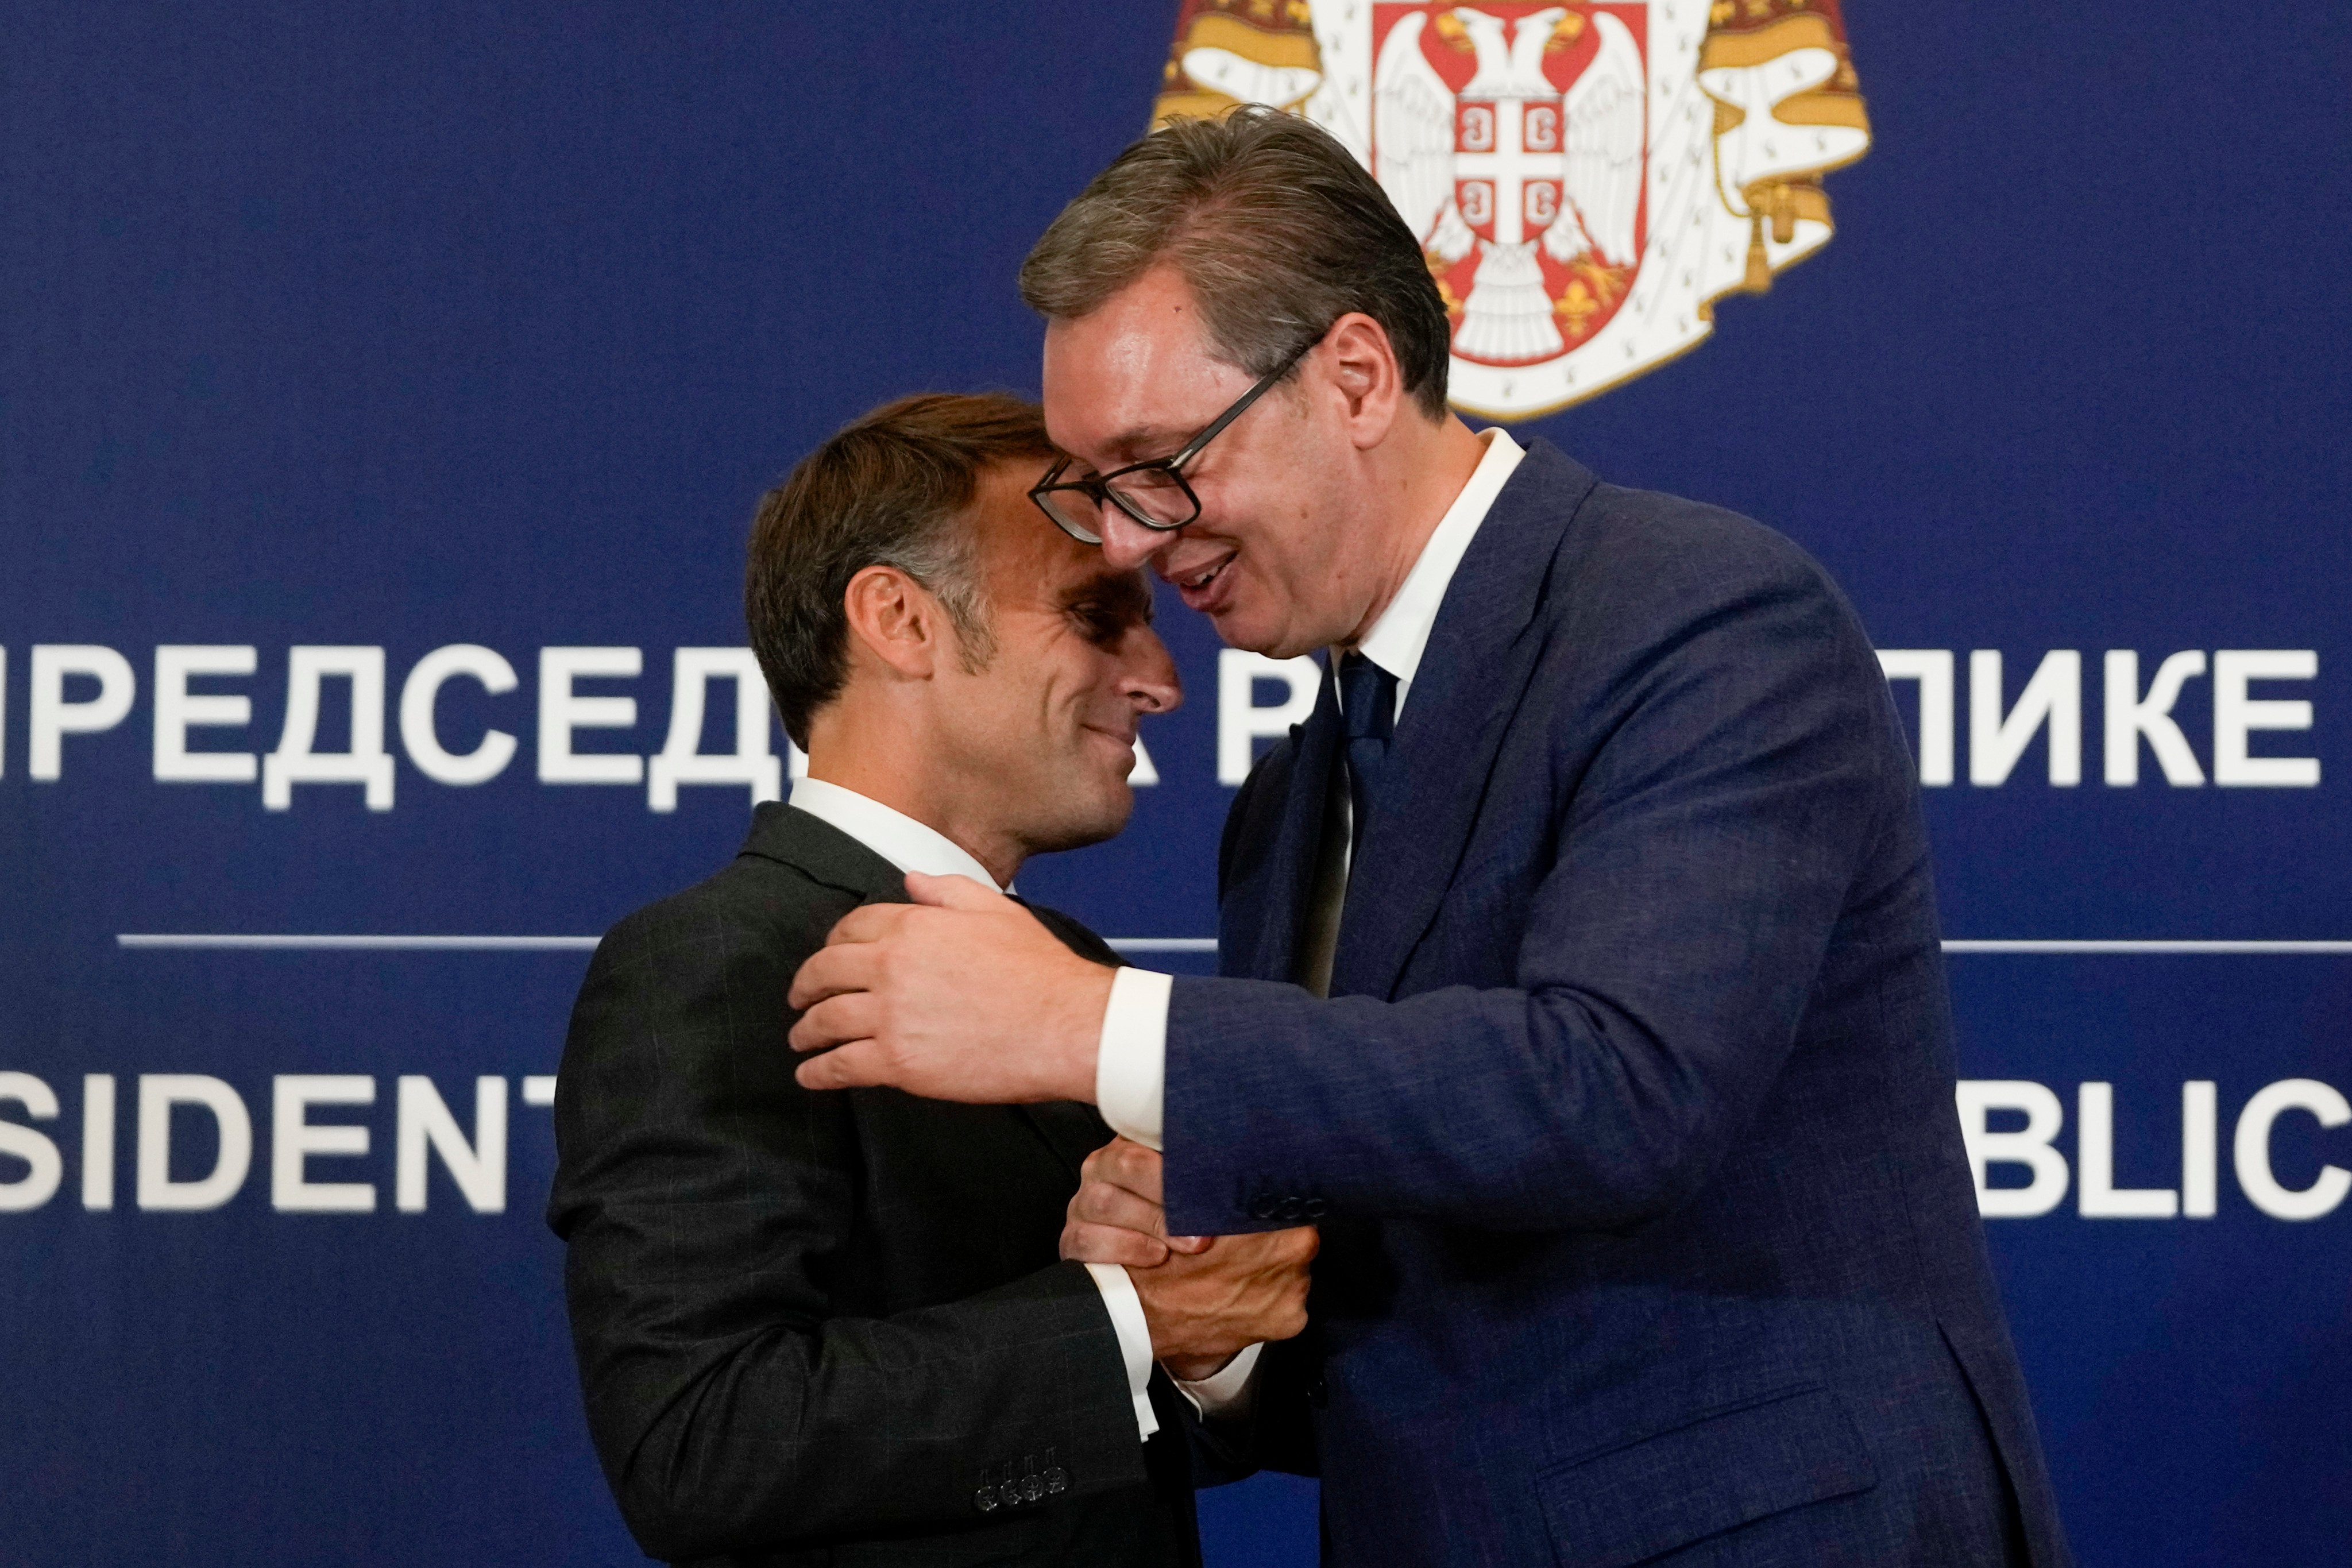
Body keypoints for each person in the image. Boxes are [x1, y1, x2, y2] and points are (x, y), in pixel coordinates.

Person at [783, 113, 2074, 1566]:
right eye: (1094, 487)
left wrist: (1090, 1026)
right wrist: (1213, 1305)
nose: (1130, 543)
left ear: (1351, 375)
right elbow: (1394, 1288)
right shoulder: (1288, 803)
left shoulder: (1693, 616)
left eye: (1161, 462)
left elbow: (1615, 1090)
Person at [546, 391, 1316, 1567]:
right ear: (899, 620)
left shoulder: (1078, 981)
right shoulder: (714, 961)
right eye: (1097, 614)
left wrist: (1209, 1343)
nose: (1160, 677)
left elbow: (1127, 1446)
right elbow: (701, 1444)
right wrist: (1127, 1320)